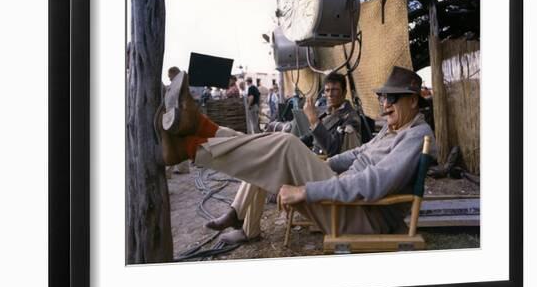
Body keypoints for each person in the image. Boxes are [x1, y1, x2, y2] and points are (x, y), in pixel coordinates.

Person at [159, 66, 436, 245]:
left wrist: (306, 190)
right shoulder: (393, 129)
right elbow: (357, 153)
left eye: (392, 98)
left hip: (360, 215)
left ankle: (192, 145)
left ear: (413, 100)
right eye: (383, 98)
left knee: (284, 144)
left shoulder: (415, 136)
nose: (385, 105)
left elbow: (373, 183)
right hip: (347, 198)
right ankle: (199, 133)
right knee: (274, 146)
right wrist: (321, 163)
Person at [300, 72, 361, 156]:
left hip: (330, 165)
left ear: (344, 93)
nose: (330, 94)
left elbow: (333, 149)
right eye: (327, 90)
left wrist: (313, 120)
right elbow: (312, 137)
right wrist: (295, 142)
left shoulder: (351, 118)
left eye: (335, 90)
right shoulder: (326, 112)